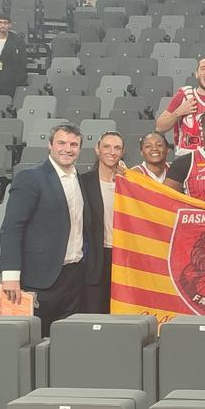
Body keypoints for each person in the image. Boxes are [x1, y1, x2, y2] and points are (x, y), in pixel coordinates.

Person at [0, 123, 89, 336]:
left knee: (67, 340)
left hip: (74, 275)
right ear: (50, 145)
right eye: (61, 143)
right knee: (34, 340)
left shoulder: (80, 179)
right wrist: (10, 276)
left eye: (73, 144)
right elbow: (11, 228)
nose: (67, 149)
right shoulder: (31, 177)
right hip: (39, 278)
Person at [80, 131, 127, 314]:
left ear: (122, 152)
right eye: (107, 146)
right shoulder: (83, 182)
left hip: (124, 258)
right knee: (94, 316)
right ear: (97, 149)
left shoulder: (129, 182)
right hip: (95, 259)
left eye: (117, 148)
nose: (112, 152)